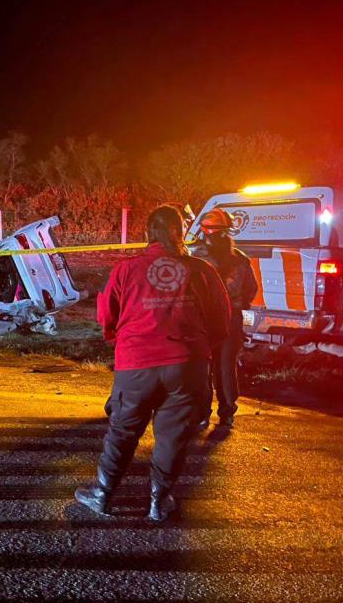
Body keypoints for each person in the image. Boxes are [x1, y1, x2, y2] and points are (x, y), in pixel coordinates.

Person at [75, 205, 231, 523]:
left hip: (136, 365)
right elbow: (221, 321)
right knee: (173, 436)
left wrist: (121, 340)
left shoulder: (126, 269)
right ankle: (159, 502)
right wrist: (199, 351)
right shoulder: (202, 270)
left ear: (148, 234)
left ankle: (103, 495)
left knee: (123, 430)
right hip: (187, 366)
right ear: (182, 233)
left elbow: (107, 316)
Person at [192, 208, 258, 428]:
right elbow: (251, 289)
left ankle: (202, 413)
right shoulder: (240, 259)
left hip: (205, 320)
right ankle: (227, 412)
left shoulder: (196, 259)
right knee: (226, 366)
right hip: (231, 319)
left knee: (203, 366)